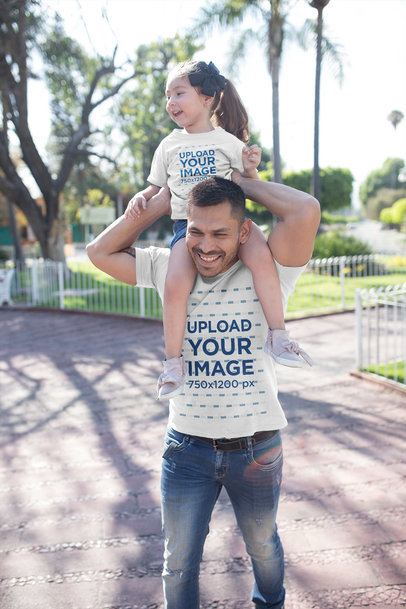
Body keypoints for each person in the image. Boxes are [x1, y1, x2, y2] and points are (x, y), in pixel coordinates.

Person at [87, 172, 321, 609]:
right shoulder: (166, 268)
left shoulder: (269, 270)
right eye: (195, 230)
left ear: (244, 231)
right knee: (177, 564)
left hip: (257, 449)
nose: (206, 245)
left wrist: (238, 181)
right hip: (187, 452)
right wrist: (159, 204)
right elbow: (98, 252)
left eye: (220, 233)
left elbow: (305, 210)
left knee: (263, 547)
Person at [124, 60, 312, 401]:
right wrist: (141, 196)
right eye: (168, 95)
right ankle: (172, 363)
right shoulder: (168, 145)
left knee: (262, 262)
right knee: (175, 283)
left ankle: (279, 336)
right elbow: (154, 188)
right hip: (188, 229)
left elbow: (252, 188)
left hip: (234, 227)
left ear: (208, 97)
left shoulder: (228, 142)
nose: (171, 102)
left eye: (179, 93)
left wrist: (252, 168)